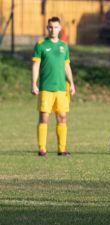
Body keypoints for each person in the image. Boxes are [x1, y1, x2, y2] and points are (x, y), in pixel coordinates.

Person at [31, 16, 76, 157]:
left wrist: (72, 83)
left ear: (60, 28)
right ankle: (42, 148)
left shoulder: (64, 46)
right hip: (46, 88)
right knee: (44, 118)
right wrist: (34, 83)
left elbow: (66, 65)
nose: (53, 29)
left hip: (62, 89)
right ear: (47, 28)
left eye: (56, 27)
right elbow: (36, 65)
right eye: (50, 27)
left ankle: (61, 149)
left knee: (62, 118)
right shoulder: (41, 45)